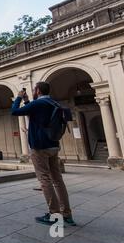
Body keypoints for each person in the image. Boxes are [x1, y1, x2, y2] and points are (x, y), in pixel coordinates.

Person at [11, 82, 76, 227]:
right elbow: (35, 114)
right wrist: (27, 101)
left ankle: (54, 215)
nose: (33, 91)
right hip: (53, 145)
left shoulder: (38, 104)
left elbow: (14, 111)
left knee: (45, 179)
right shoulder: (53, 102)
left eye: (34, 89)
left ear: (38, 90)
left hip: (40, 147)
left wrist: (18, 98)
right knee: (58, 180)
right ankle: (67, 214)